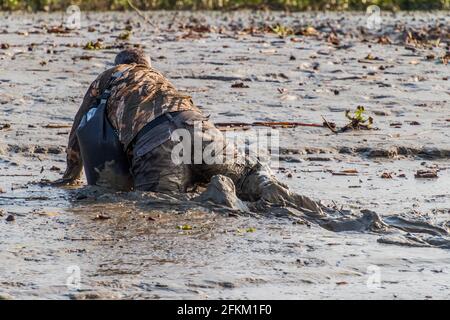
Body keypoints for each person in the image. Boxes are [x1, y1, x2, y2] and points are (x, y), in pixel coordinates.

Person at [56, 48, 324, 214]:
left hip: (156, 146)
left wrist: (70, 176)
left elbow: (80, 128)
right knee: (248, 177)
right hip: (198, 130)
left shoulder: (108, 78)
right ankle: (263, 185)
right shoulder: (160, 80)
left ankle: (214, 198)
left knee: (158, 205)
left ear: (118, 63)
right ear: (148, 65)